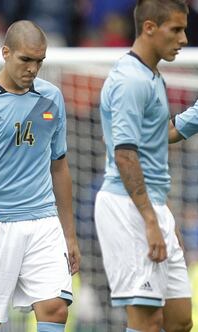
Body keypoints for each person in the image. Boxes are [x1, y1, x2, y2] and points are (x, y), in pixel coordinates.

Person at [0, 20, 80, 332]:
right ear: (5, 53)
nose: (33, 68)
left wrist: (69, 234)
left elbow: (59, 166)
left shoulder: (51, 98)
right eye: (26, 59)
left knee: (55, 308)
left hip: (43, 220)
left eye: (39, 61)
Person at [94, 1, 193, 331]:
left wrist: (163, 215)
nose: (183, 39)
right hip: (128, 208)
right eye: (176, 29)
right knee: (146, 322)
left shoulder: (152, 76)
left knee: (179, 321)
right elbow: (124, 154)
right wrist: (150, 218)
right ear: (149, 28)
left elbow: (161, 134)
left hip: (153, 205)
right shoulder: (130, 80)